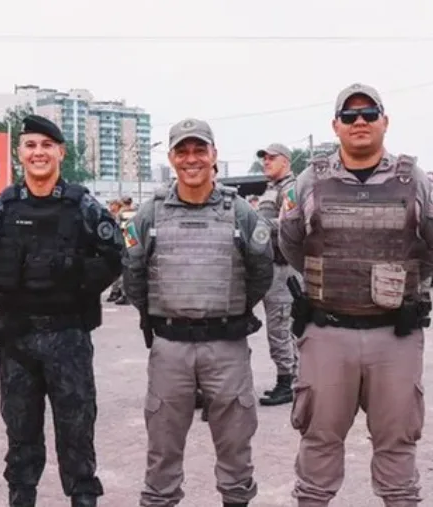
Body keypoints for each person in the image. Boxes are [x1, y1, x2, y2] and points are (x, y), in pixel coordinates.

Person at [278, 83, 433, 507]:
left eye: (369, 114)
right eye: (350, 115)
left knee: (397, 445)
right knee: (318, 442)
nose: (360, 122)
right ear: (335, 125)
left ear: (384, 122)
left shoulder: (416, 181)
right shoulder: (308, 182)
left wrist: (406, 284)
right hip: (327, 334)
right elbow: (290, 243)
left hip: (394, 335)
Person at [0, 115, 122, 507]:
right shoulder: (0, 209)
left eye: (46, 145)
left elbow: (113, 258)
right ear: (19, 153)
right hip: (17, 340)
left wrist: (74, 277)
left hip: (68, 336)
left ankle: (83, 498)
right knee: (20, 433)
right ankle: (21, 498)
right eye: (30, 146)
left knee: (76, 431)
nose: (38, 153)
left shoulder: (84, 206)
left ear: (60, 152)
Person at [124, 117, 274, 507]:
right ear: (172, 157)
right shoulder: (150, 214)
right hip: (170, 348)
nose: (191, 159)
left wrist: (233, 311)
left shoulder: (239, 211)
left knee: (236, 448)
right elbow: (134, 275)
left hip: (227, 346)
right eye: (183, 151)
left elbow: (260, 272)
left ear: (214, 156)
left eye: (199, 150)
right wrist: (157, 318)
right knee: (162, 451)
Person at [254, 142, 299, 406]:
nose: (266, 162)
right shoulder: (272, 189)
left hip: (284, 268)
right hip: (270, 267)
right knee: (278, 327)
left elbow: (290, 224)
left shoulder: (291, 189)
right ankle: (288, 378)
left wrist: (255, 223)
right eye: (264, 158)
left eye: (272, 158)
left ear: (286, 161)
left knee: (281, 326)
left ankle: (288, 382)